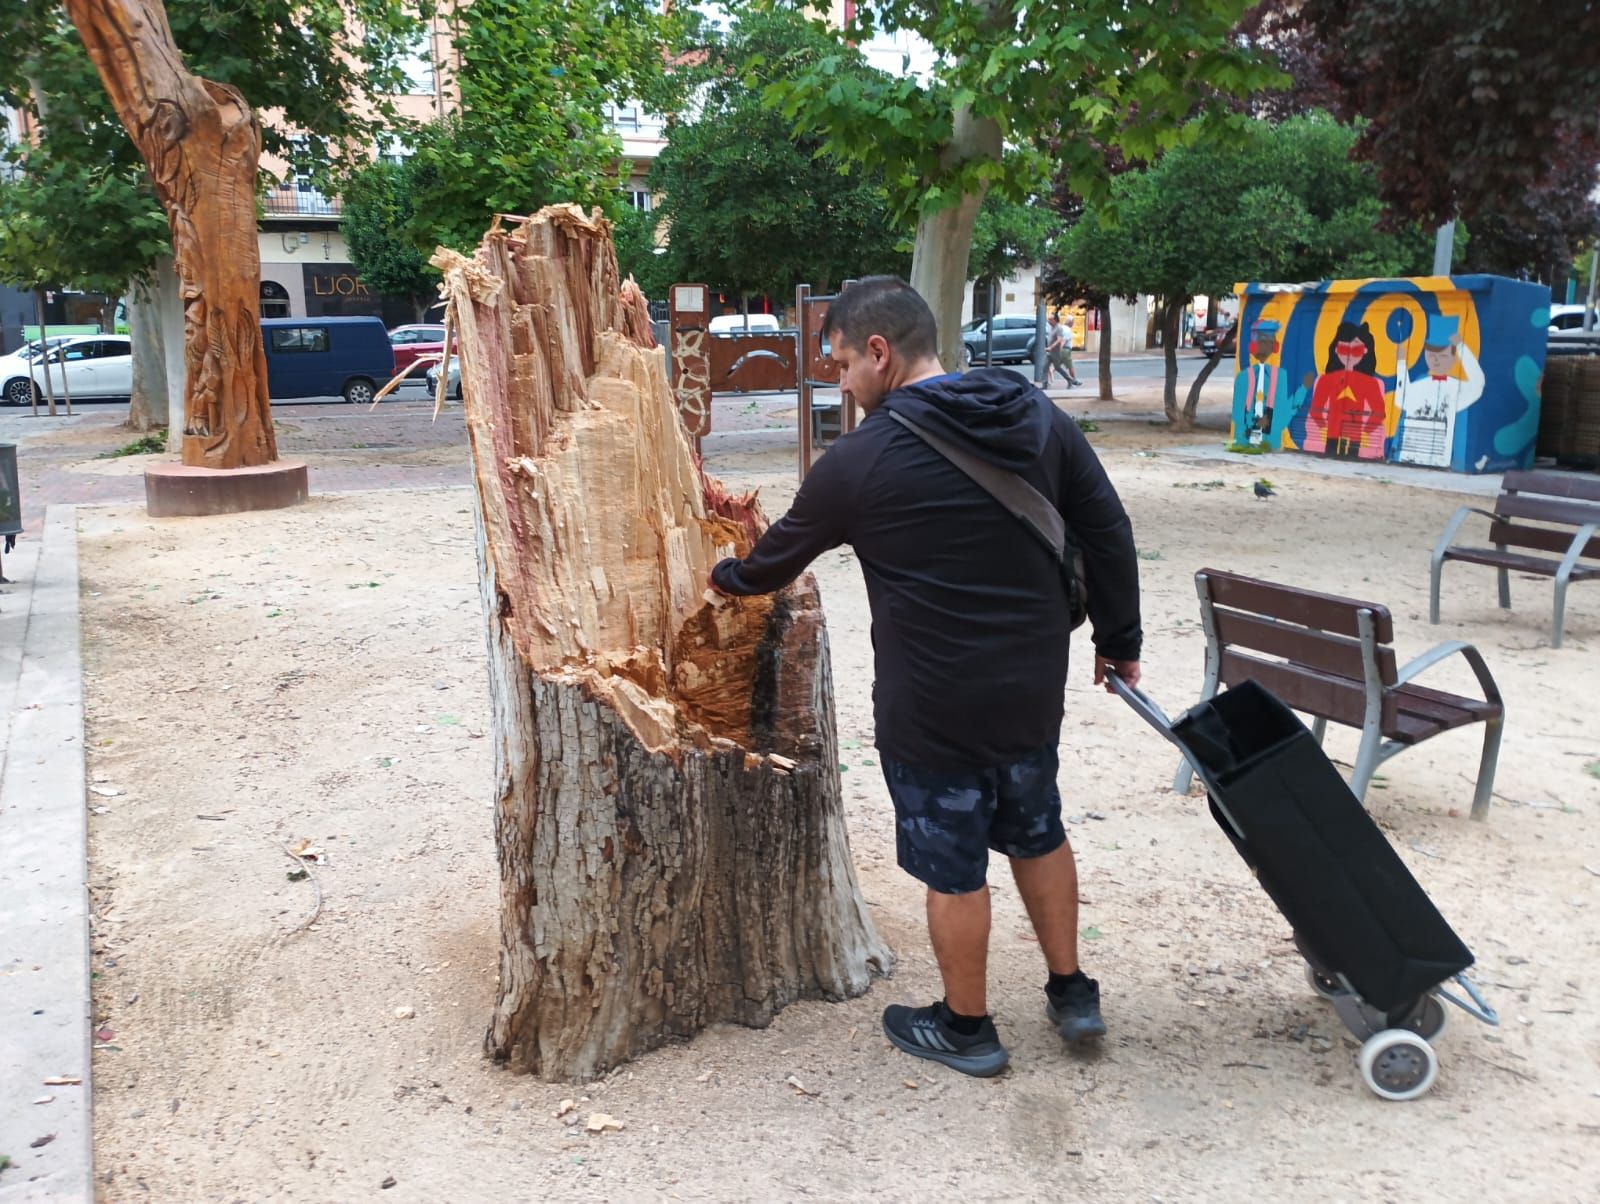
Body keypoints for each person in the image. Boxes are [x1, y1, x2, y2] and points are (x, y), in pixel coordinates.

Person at [707, 277, 1143, 1078]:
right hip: (1032, 684)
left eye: (841, 364)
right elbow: (1106, 527)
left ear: (880, 352)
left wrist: (722, 577)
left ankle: (968, 1028)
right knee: (1037, 826)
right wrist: (1120, 639)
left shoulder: (862, 459)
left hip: (933, 698)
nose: (840, 383)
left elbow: (777, 560)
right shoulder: (1035, 412)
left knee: (954, 864)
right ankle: (1072, 991)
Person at [1394, 314, 1484, 468]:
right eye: (1431, 355)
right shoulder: (1420, 385)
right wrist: (1401, 365)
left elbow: (1478, 383)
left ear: (1454, 357)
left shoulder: (1456, 387)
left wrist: (1461, 346)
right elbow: (1402, 400)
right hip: (1413, 444)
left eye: (1442, 355)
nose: (1436, 360)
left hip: (1441, 449)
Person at [1303, 321, 1387, 461]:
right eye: (1343, 350)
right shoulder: (1325, 380)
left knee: (1351, 455)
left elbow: (1378, 411)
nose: (1349, 356)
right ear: (1336, 350)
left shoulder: (1370, 383)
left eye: (1356, 351)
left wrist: (1368, 430)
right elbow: (1316, 408)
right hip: (1331, 433)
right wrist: (1321, 426)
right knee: (1331, 453)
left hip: (1356, 435)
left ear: (1365, 351)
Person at [1046, 312, 1081, 388]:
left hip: (1057, 350)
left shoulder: (1060, 328)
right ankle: (1074, 380)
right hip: (1065, 351)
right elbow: (1062, 341)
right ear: (1070, 322)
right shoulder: (1067, 330)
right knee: (1070, 366)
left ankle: (1050, 377)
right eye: (1073, 322)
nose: (1073, 324)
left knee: (1056, 366)